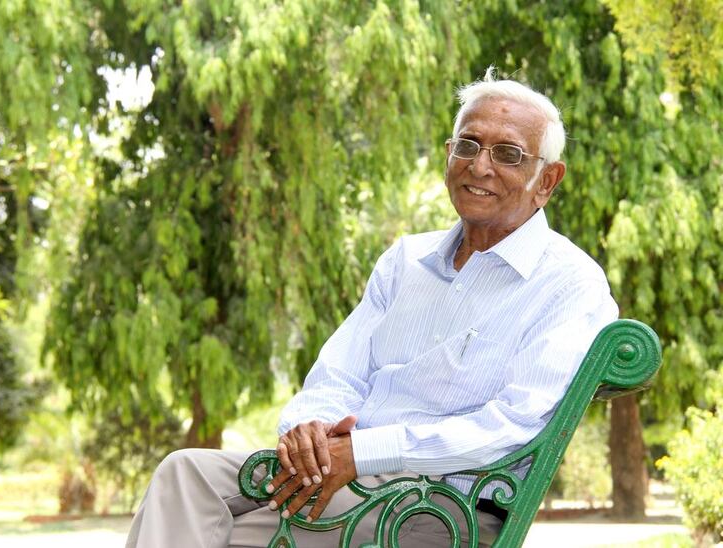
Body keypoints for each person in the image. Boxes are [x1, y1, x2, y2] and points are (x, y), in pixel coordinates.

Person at [125, 68, 618, 548]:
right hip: (347, 477)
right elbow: (338, 375)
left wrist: (360, 454)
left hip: (439, 502)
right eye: (467, 145)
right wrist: (311, 430)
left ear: (547, 180)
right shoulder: (405, 261)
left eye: (508, 154)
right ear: (449, 155)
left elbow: (514, 424)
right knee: (186, 474)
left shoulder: (569, 283)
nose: (480, 165)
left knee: (209, 532)